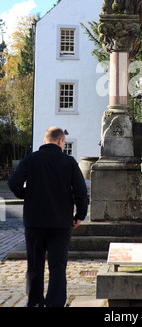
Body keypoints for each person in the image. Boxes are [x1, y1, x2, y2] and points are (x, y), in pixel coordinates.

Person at [8, 126, 88, 307]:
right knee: (57, 266)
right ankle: (55, 303)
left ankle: (35, 302)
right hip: (60, 223)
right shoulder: (69, 162)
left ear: (45, 141)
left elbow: (13, 182)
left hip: (35, 222)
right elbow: (81, 192)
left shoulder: (31, 159)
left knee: (35, 266)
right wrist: (80, 215)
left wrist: (25, 194)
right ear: (61, 141)